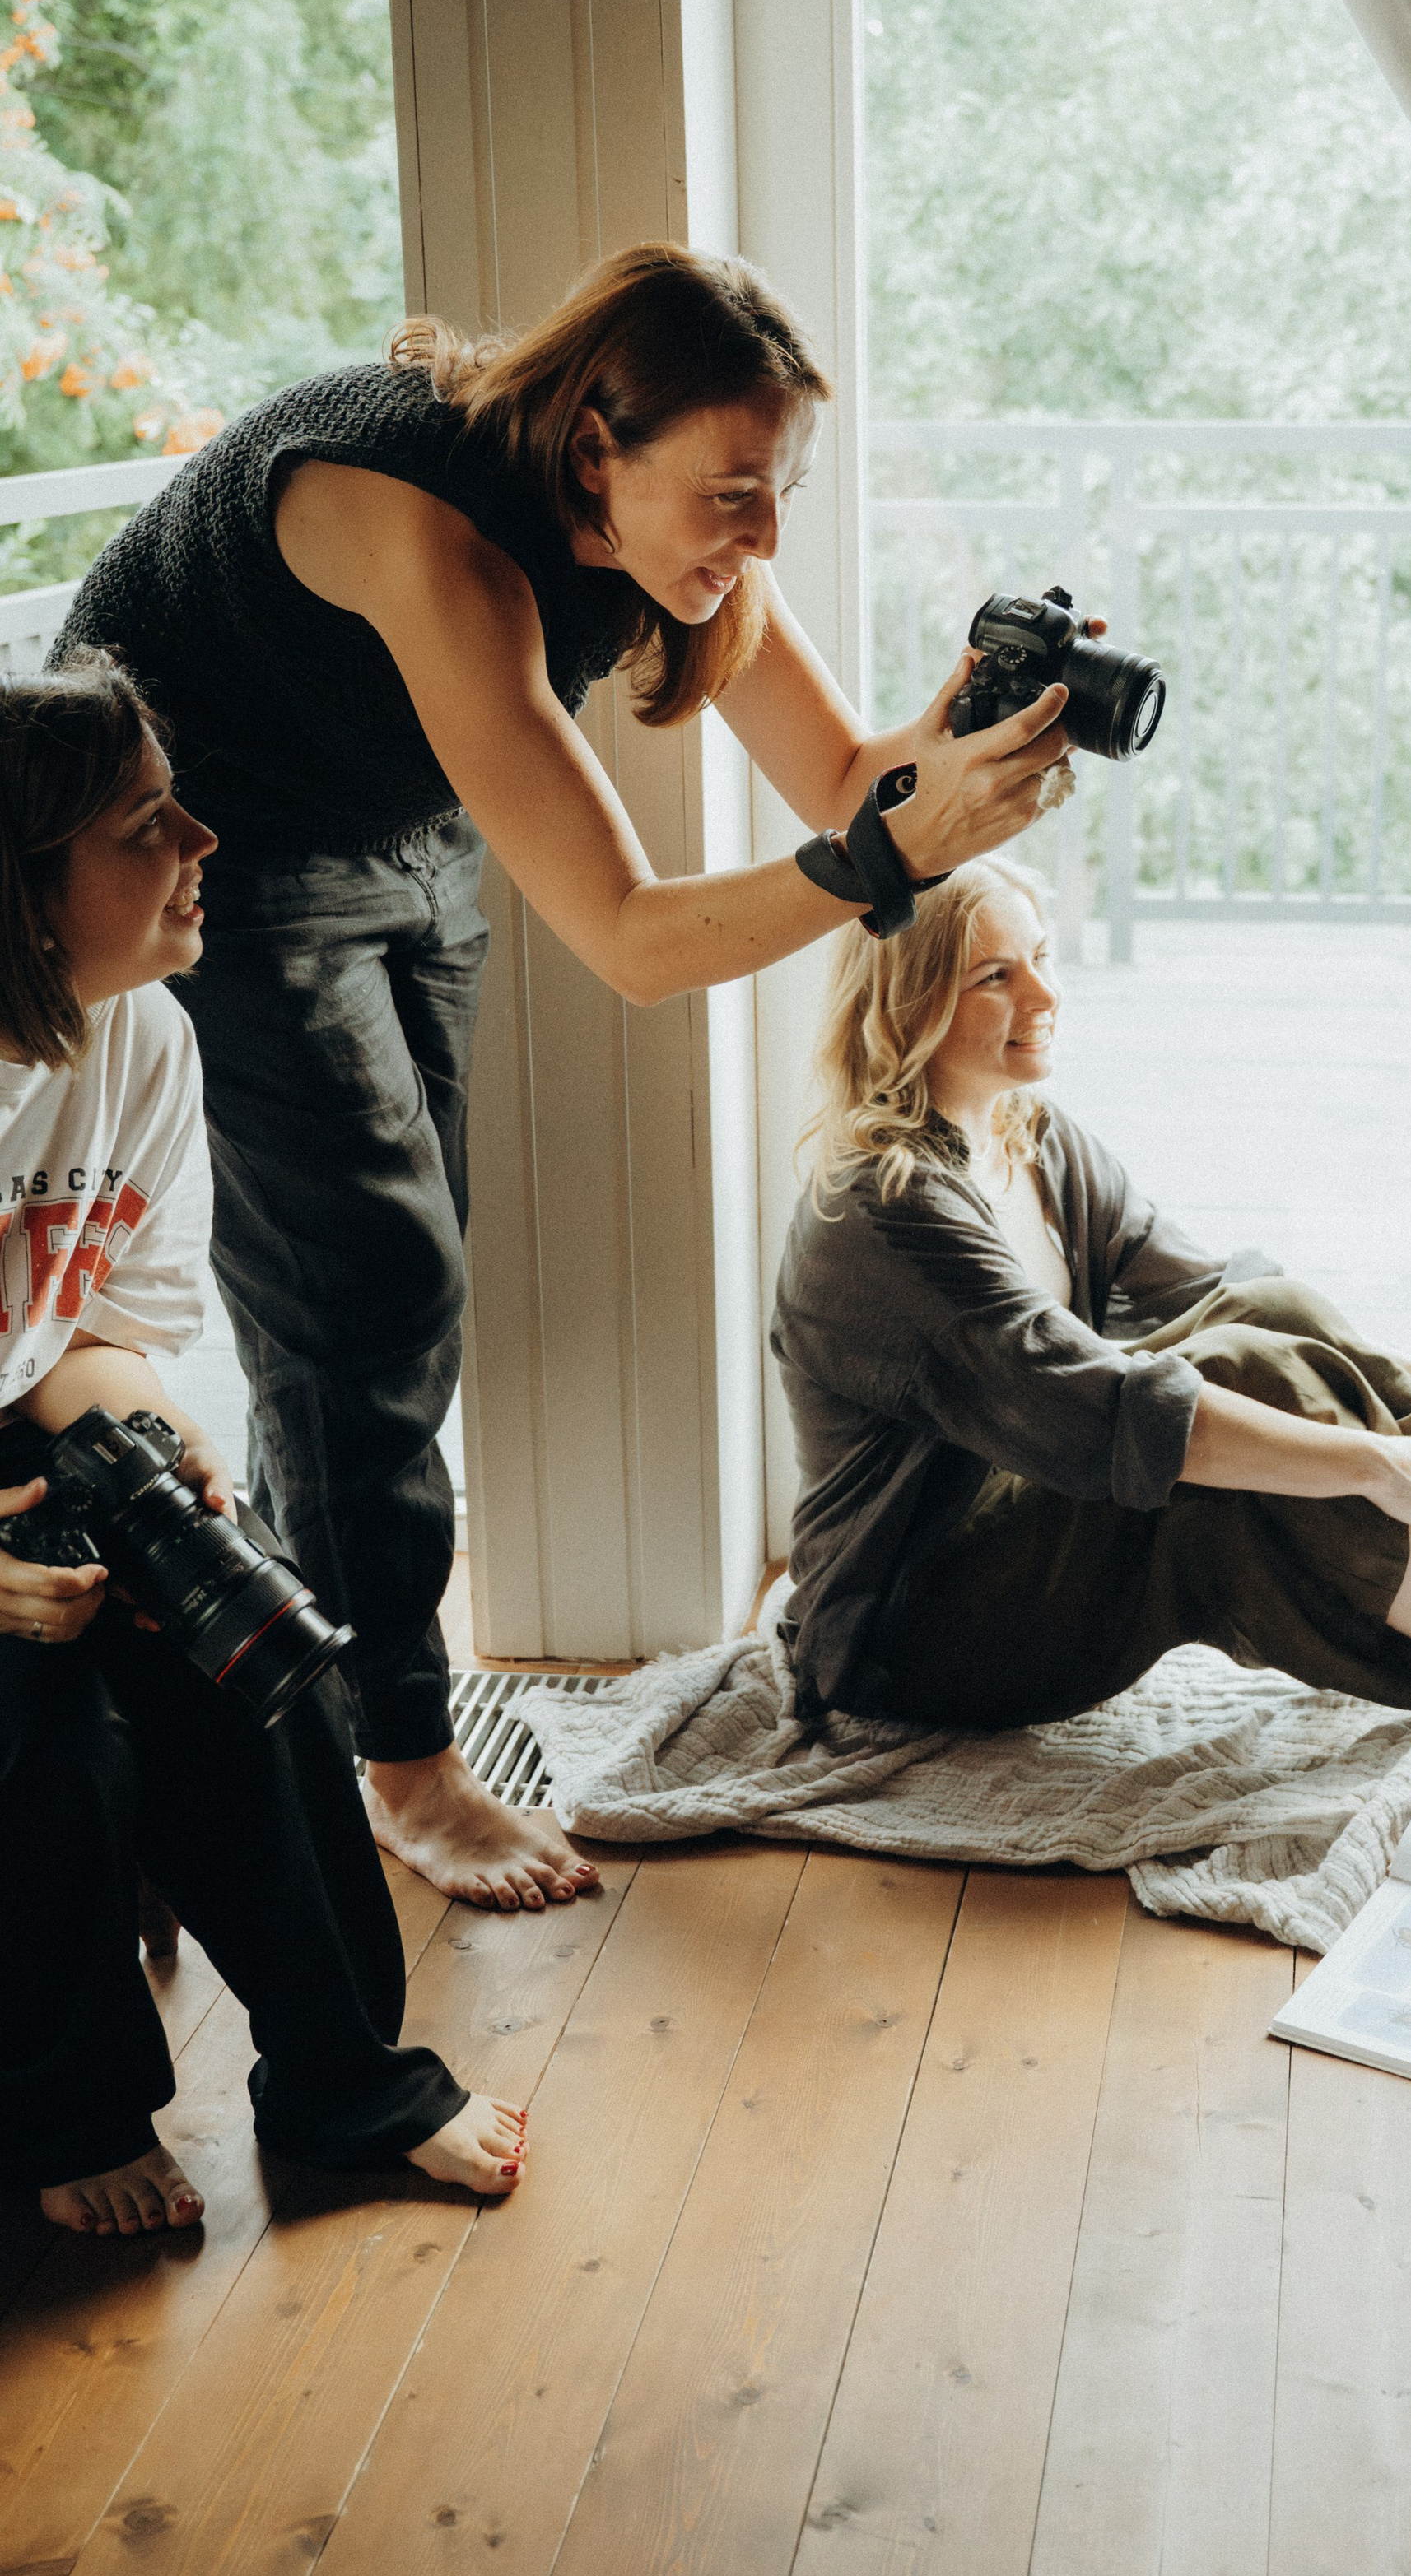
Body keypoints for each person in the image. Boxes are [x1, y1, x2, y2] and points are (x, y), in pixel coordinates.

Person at [58, 244, 1069, 1910]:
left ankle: (347, 1685)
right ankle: (399, 1763)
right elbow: (631, 940)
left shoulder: (682, 534)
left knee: (405, 1282)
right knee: (363, 1298)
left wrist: (967, 737)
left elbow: (837, 772)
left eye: (784, 493)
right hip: (199, 843)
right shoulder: (428, 529)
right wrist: (891, 864)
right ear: (596, 445)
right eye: (737, 493)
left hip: (395, 808)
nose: (761, 536)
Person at [771, 855, 1411, 1774]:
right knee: (1230, 1380)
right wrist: (1370, 1462)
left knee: (1272, 1309)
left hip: (1016, 1543)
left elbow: (1218, 1288)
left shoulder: (1036, 1139)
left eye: (1044, 958)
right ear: (910, 1003)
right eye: (995, 976)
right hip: (908, 1632)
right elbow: (1110, 1411)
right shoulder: (889, 1210)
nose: (1046, 997)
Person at [0, 656, 527, 2234]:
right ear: (26, 890)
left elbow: (90, 1334)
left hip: (27, 1430)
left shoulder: (142, 1037)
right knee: (44, 1729)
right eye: (148, 824)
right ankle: (70, 2114)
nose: (205, 844)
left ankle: (344, 2081)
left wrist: (161, 1463)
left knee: (263, 1647)